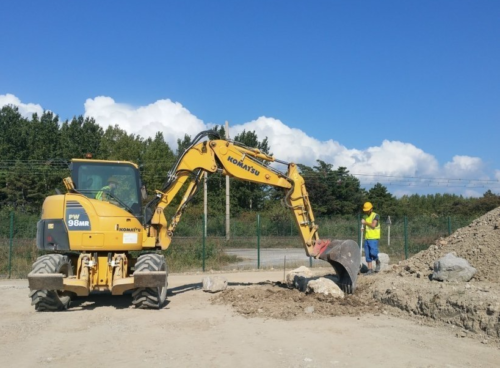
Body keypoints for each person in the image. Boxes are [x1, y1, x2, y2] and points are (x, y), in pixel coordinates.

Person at [361, 201, 381, 274]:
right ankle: (370, 270)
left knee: (373, 252)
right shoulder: (365, 217)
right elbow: (366, 226)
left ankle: (377, 261)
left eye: (367, 210)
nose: (366, 212)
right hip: (367, 237)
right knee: (367, 254)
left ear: (371, 209)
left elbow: (373, 225)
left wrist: (365, 223)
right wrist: (363, 228)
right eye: (365, 210)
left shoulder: (375, 216)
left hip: (374, 237)